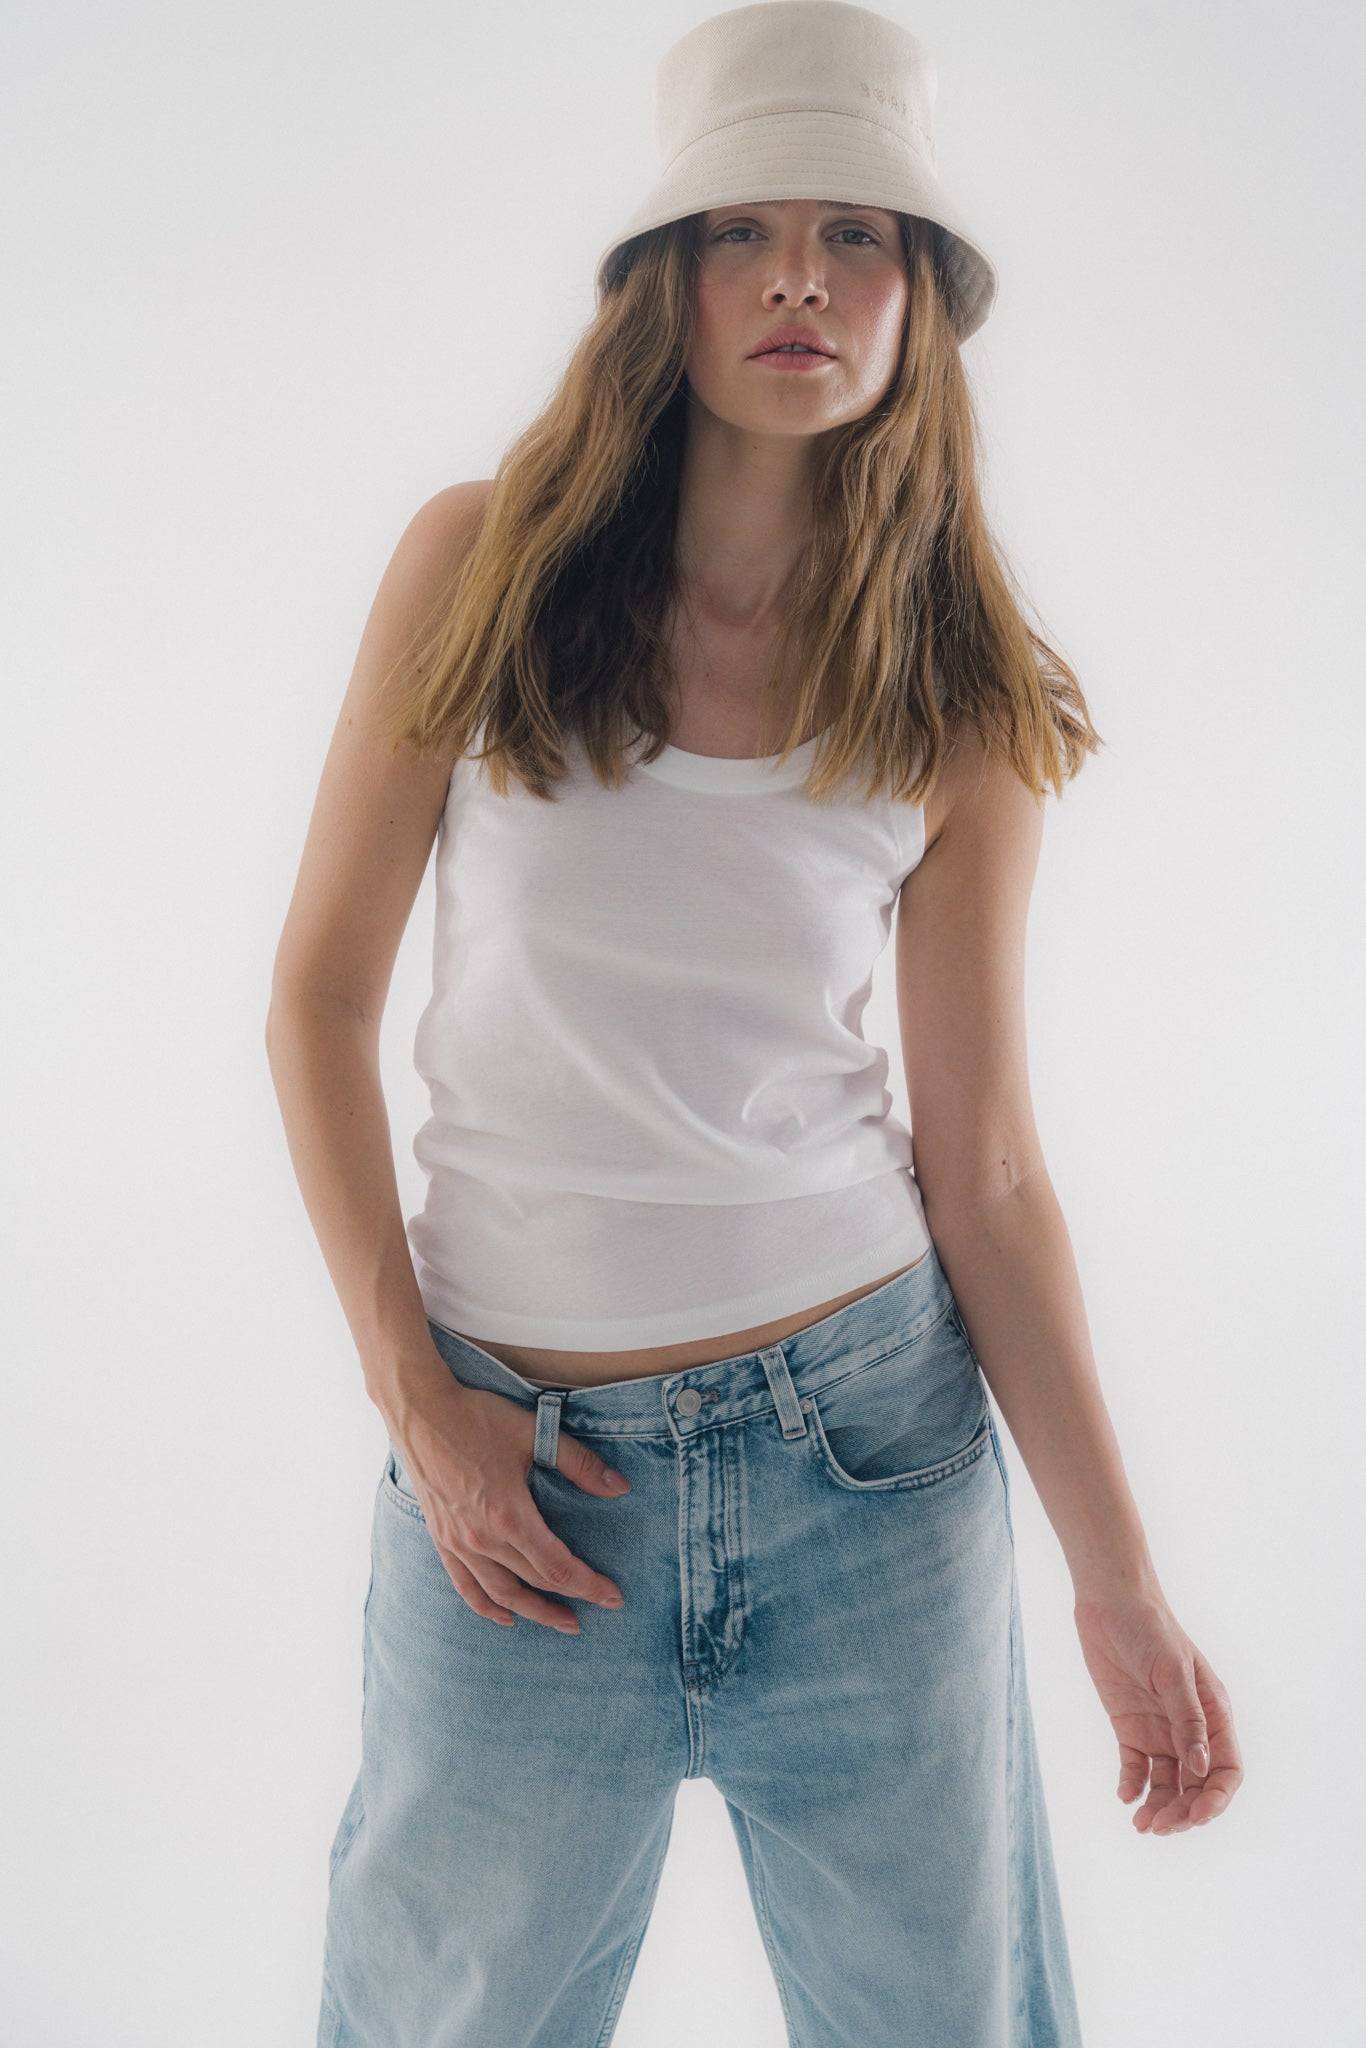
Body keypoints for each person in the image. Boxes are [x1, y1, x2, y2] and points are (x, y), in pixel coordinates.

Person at [267, 5, 1243, 2042]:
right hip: (517, 1484)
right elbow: (318, 996)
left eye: (855, 235)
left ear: (918, 301)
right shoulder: (474, 570)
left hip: (866, 1464)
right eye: (742, 231)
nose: (799, 276)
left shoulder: (964, 694)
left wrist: (1117, 1581)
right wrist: (415, 1406)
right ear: (664, 285)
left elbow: (980, 1168)